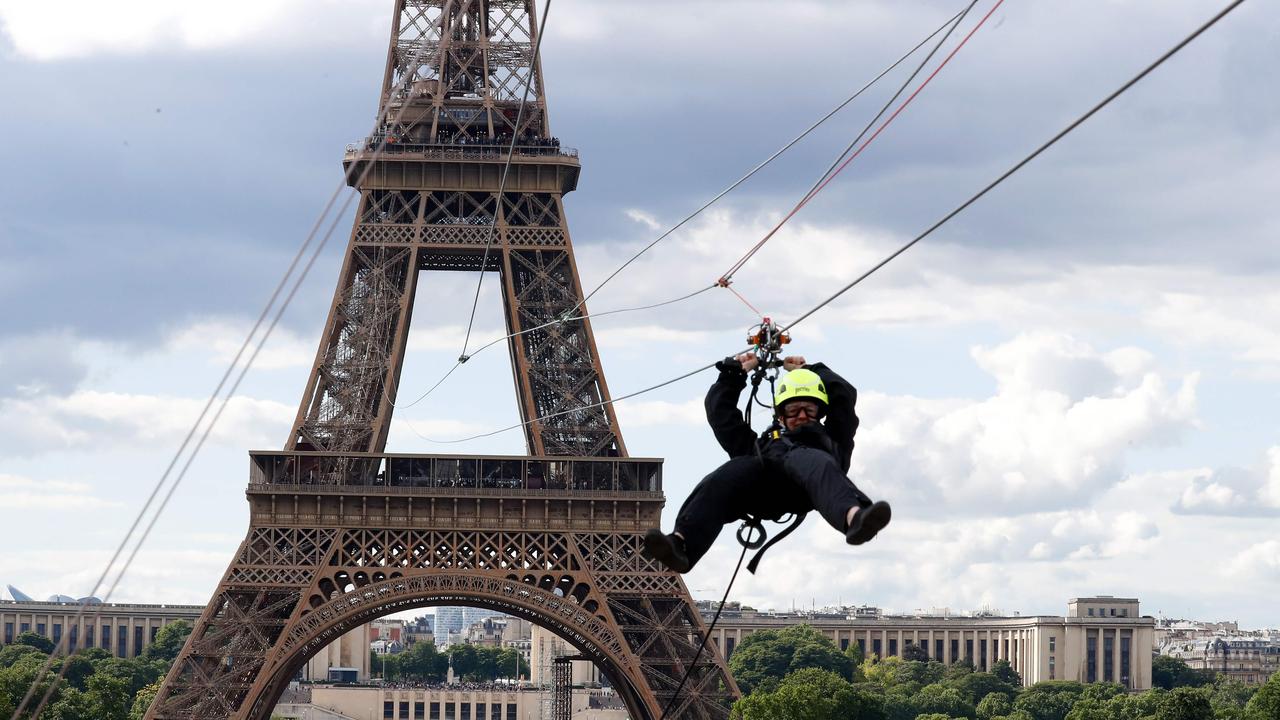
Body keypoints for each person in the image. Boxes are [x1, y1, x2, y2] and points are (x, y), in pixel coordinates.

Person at [642, 353, 891, 573]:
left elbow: (843, 394)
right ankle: (682, 543)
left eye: (809, 410)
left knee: (812, 460)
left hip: (806, 489)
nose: (802, 415)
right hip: (761, 490)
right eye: (794, 411)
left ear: (821, 413)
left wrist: (809, 371)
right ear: (780, 416)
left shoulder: (833, 440)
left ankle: (854, 518)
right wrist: (732, 376)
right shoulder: (759, 448)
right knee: (727, 474)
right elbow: (721, 415)